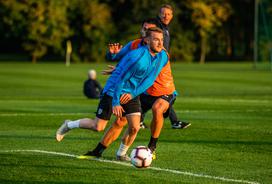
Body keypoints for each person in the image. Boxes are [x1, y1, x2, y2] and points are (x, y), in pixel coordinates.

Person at [56, 27, 169, 160]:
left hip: (131, 93)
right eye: (156, 40)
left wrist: (132, 94)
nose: (160, 43)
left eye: (162, 40)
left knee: (134, 127)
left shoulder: (163, 56)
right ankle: (69, 124)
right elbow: (121, 79)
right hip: (113, 89)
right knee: (98, 126)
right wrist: (115, 102)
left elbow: (150, 80)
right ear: (147, 40)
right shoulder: (137, 57)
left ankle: (121, 154)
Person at [82, 18, 182, 161]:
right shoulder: (135, 45)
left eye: (150, 28)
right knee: (121, 121)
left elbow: (147, 74)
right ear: (144, 34)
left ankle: (152, 147)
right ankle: (99, 151)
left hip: (162, 89)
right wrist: (112, 55)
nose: (145, 30)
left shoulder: (161, 53)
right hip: (142, 90)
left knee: (157, 108)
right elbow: (119, 58)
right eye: (144, 28)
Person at [154, 4, 190, 129]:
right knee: (167, 93)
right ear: (159, 14)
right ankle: (174, 121)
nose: (166, 16)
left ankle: (175, 121)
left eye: (168, 14)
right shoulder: (157, 28)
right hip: (156, 64)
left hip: (162, 64)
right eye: (163, 13)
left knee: (162, 93)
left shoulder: (165, 28)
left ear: (172, 16)